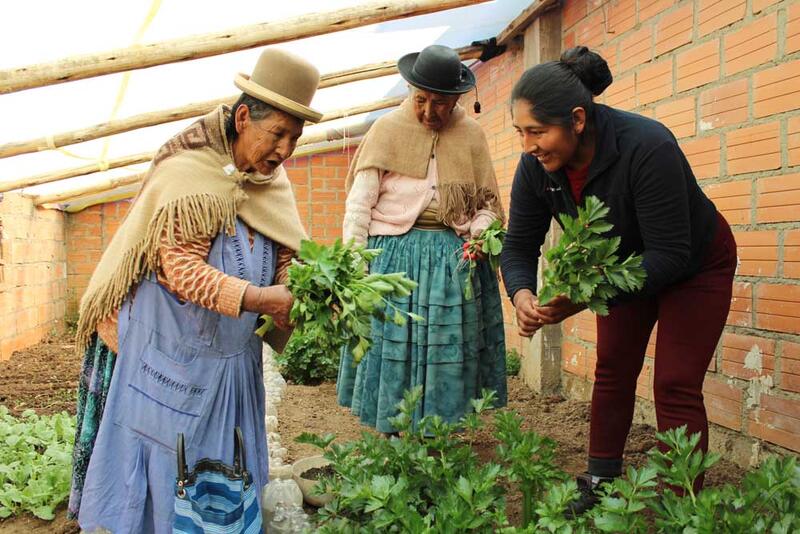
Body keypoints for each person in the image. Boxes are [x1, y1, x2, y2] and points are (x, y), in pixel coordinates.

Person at [69, 48, 322, 532]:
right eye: (277, 134)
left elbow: (287, 249)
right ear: (244, 117)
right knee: (167, 468)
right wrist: (260, 299)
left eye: (295, 137)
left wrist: (291, 287)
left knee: (226, 466)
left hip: (230, 359)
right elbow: (179, 268)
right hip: (169, 354)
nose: (285, 150)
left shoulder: (270, 180)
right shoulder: (187, 171)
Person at [500, 46, 737, 514]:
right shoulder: (536, 168)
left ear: (577, 120)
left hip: (694, 266)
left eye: (537, 131)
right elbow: (518, 244)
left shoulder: (646, 146)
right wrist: (522, 291)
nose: (528, 144)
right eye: (520, 132)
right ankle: (601, 478)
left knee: (674, 382)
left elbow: (670, 255)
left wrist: (582, 298)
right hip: (623, 265)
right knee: (612, 367)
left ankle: (680, 502)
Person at [336, 44, 508, 434]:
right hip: (393, 260)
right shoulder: (386, 130)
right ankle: (393, 433)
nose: (429, 112)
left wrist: (479, 233)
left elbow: (489, 207)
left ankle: (440, 435)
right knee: (390, 346)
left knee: (447, 352)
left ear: (458, 99)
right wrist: (356, 263)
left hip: (452, 260)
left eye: (441, 103)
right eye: (421, 100)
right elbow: (359, 205)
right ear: (410, 93)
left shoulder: (471, 135)